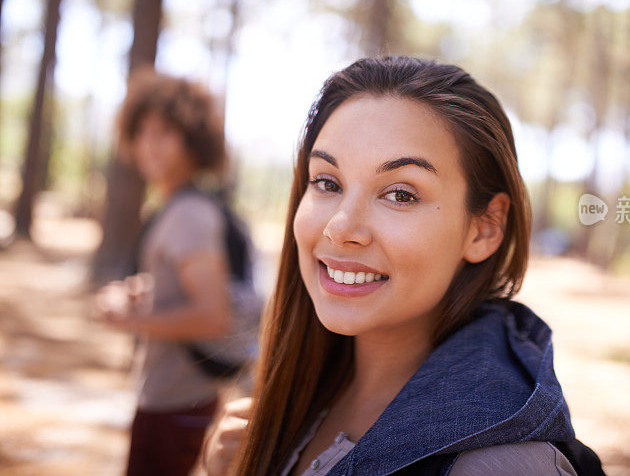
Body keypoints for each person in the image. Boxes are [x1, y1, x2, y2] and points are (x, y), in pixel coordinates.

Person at [206, 56, 602, 475]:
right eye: (327, 182)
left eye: (400, 194)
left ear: (484, 228)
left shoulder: (501, 466)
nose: (341, 228)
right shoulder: (290, 396)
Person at [94, 69, 240, 476]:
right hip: (179, 397)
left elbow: (213, 315)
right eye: (141, 132)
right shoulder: (180, 207)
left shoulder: (187, 214)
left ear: (193, 139)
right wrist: (145, 292)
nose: (148, 145)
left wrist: (130, 319)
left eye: (164, 133)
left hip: (175, 402)